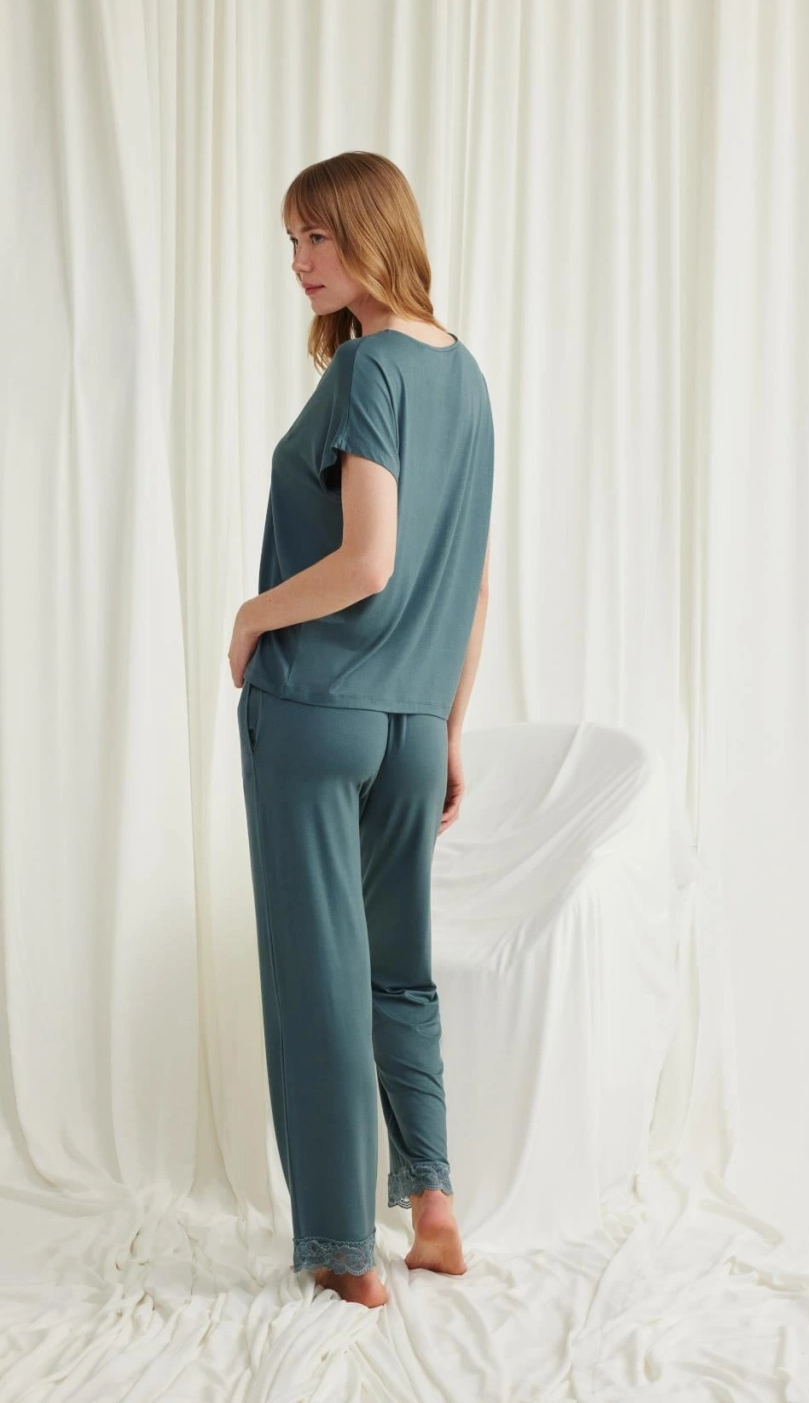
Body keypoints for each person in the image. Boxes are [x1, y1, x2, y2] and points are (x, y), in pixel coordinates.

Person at [227, 151, 494, 1308]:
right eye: (291, 240)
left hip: (315, 710)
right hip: (412, 722)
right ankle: (433, 1208)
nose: (299, 261)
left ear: (371, 233)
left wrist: (251, 617)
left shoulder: (369, 368)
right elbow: (472, 585)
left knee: (317, 978)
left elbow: (368, 560)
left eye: (318, 237)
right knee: (396, 971)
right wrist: (446, 728)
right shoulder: (464, 374)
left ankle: (343, 1250)